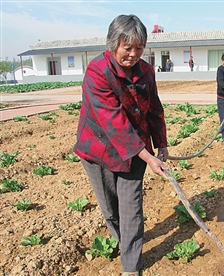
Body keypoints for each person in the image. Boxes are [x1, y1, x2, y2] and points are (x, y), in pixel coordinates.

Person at [73, 14, 169, 276]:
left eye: (139, 47)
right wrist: (149, 157)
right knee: (111, 210)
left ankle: (131, 266)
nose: (134, 54)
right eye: (128, 47)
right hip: (99, 150)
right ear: (113, 44)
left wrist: (161, 145)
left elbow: (154, 109)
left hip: (136, 149)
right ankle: (125, 241)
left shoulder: (146, 71)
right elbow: (113, 123)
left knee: (131, 209)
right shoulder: (97, 71)